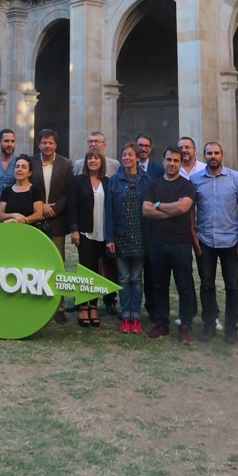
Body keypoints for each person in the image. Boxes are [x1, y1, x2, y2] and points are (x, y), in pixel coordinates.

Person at [191, 142, 238, 344]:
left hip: (231, 240)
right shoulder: (195, 179)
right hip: (205, 240)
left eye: (216, 153)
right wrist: (193, 236)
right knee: (206, 284)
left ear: (222, 155)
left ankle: (231, 327)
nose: (212, 156)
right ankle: (209, 324)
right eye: (209, 153)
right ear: (203, 156)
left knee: (232, 286)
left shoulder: (235, 178)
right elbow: (191, 210)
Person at [142, 147, 196, 344]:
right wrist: (171, 209)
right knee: (160, 286)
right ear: (163, 161)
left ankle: (185, 326)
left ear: (181, 163)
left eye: (176, 160)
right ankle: (162, 323)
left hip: (181, 244)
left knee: (184, 286)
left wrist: (158, 205)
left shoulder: (187, 185)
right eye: (168, 160)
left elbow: (183, 207)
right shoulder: (154, 185)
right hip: (158, 243)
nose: (172, 163)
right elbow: (146, 210)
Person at [105, 143, 151, 335]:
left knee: (136, 278)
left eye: (130, 155)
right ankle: (126, 316)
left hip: (140, 236)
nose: (127, 158)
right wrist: (110, 237)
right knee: (124, 278)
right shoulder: (114, 181)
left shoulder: (146, 181)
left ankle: (136, 316)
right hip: (121, 234)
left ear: (137, 158)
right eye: (124, 155)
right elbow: (109, 211)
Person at [30, 128, 74, 324]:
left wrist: (54, 208)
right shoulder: (30, 162)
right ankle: (34, 302)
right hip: (34, 220)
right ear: (38, 144)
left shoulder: (66, 164)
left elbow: (68, 192)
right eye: (44, 143)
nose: (47, 146)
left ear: (56, 145)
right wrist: (41, 206)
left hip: (56, 220)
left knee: (57, 264)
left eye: (51, 143)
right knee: (34, 263)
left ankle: (59, 307)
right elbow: (27, 187)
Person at [69, 149, 109, 327]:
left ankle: (93, 305)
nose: (93, 161)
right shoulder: (78, 181)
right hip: (85, 232)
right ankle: (82, 306)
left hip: (102, 232)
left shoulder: (107, 182)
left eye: (96, 158)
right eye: (90, 158)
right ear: (86, 162)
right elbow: (72, 207)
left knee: (97, 270)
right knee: (85, 269)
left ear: (102, 162)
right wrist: (74, 230)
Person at [0, 153, 44, 226]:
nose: (19, 169)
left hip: (30, 232)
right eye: (17, 166)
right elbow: (0, 215)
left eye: (23, 167)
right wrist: (14, 215)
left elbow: (39, 214)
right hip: (9, 231)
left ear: (29, 173)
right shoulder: (6, 191)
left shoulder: (35, 190)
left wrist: (24, 220)